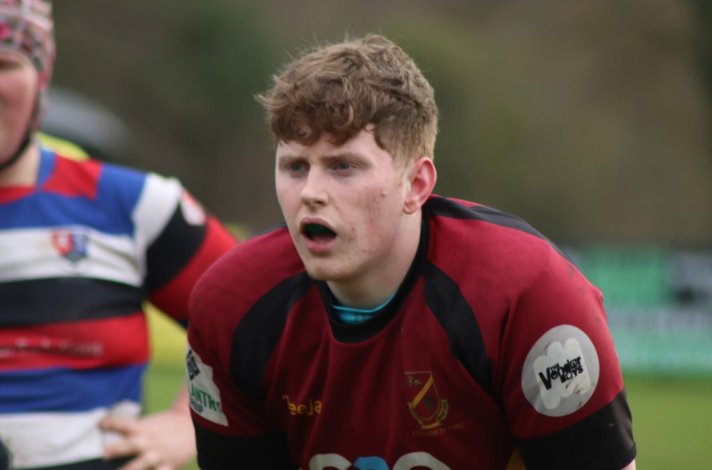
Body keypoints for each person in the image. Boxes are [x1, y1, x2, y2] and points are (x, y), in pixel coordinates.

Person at [186, 34, 637, 469]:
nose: (310, 192)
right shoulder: (234, 305)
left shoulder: (527, 294)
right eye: (295, 167)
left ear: (416, 185)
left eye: (343, 166)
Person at [0, 1, 237, 469]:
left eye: (4, 64)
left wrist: (187, 422)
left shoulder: (134, 204)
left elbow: (259, 318)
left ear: (41, 80)